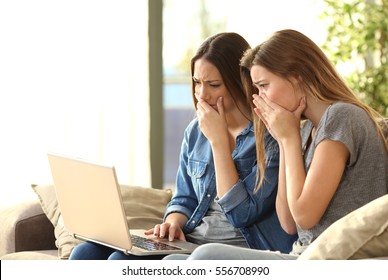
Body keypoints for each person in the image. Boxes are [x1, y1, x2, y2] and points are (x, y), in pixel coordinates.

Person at [69, 32, 296, 260]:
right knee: (84, 253)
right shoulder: (196, 131)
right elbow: (184, 197)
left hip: (234, 250)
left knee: (119, 262)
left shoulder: (270, 137)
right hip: (191, 242)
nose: (202, 95)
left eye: (213, 84)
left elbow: (241, 214)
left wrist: (218, 142)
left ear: (239, 82)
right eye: (197, 82)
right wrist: (173, 222)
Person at [166, 29, 388, 260]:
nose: (258, 97)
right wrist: (287, 139)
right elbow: (289, 222)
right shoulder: (307, 131)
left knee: (205, 257)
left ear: (297, 76)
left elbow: (304, 216)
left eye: (263, 86)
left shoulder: (342, 117)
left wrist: (288, 140)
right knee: (171, 262)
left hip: (331, 259)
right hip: (303, 255)